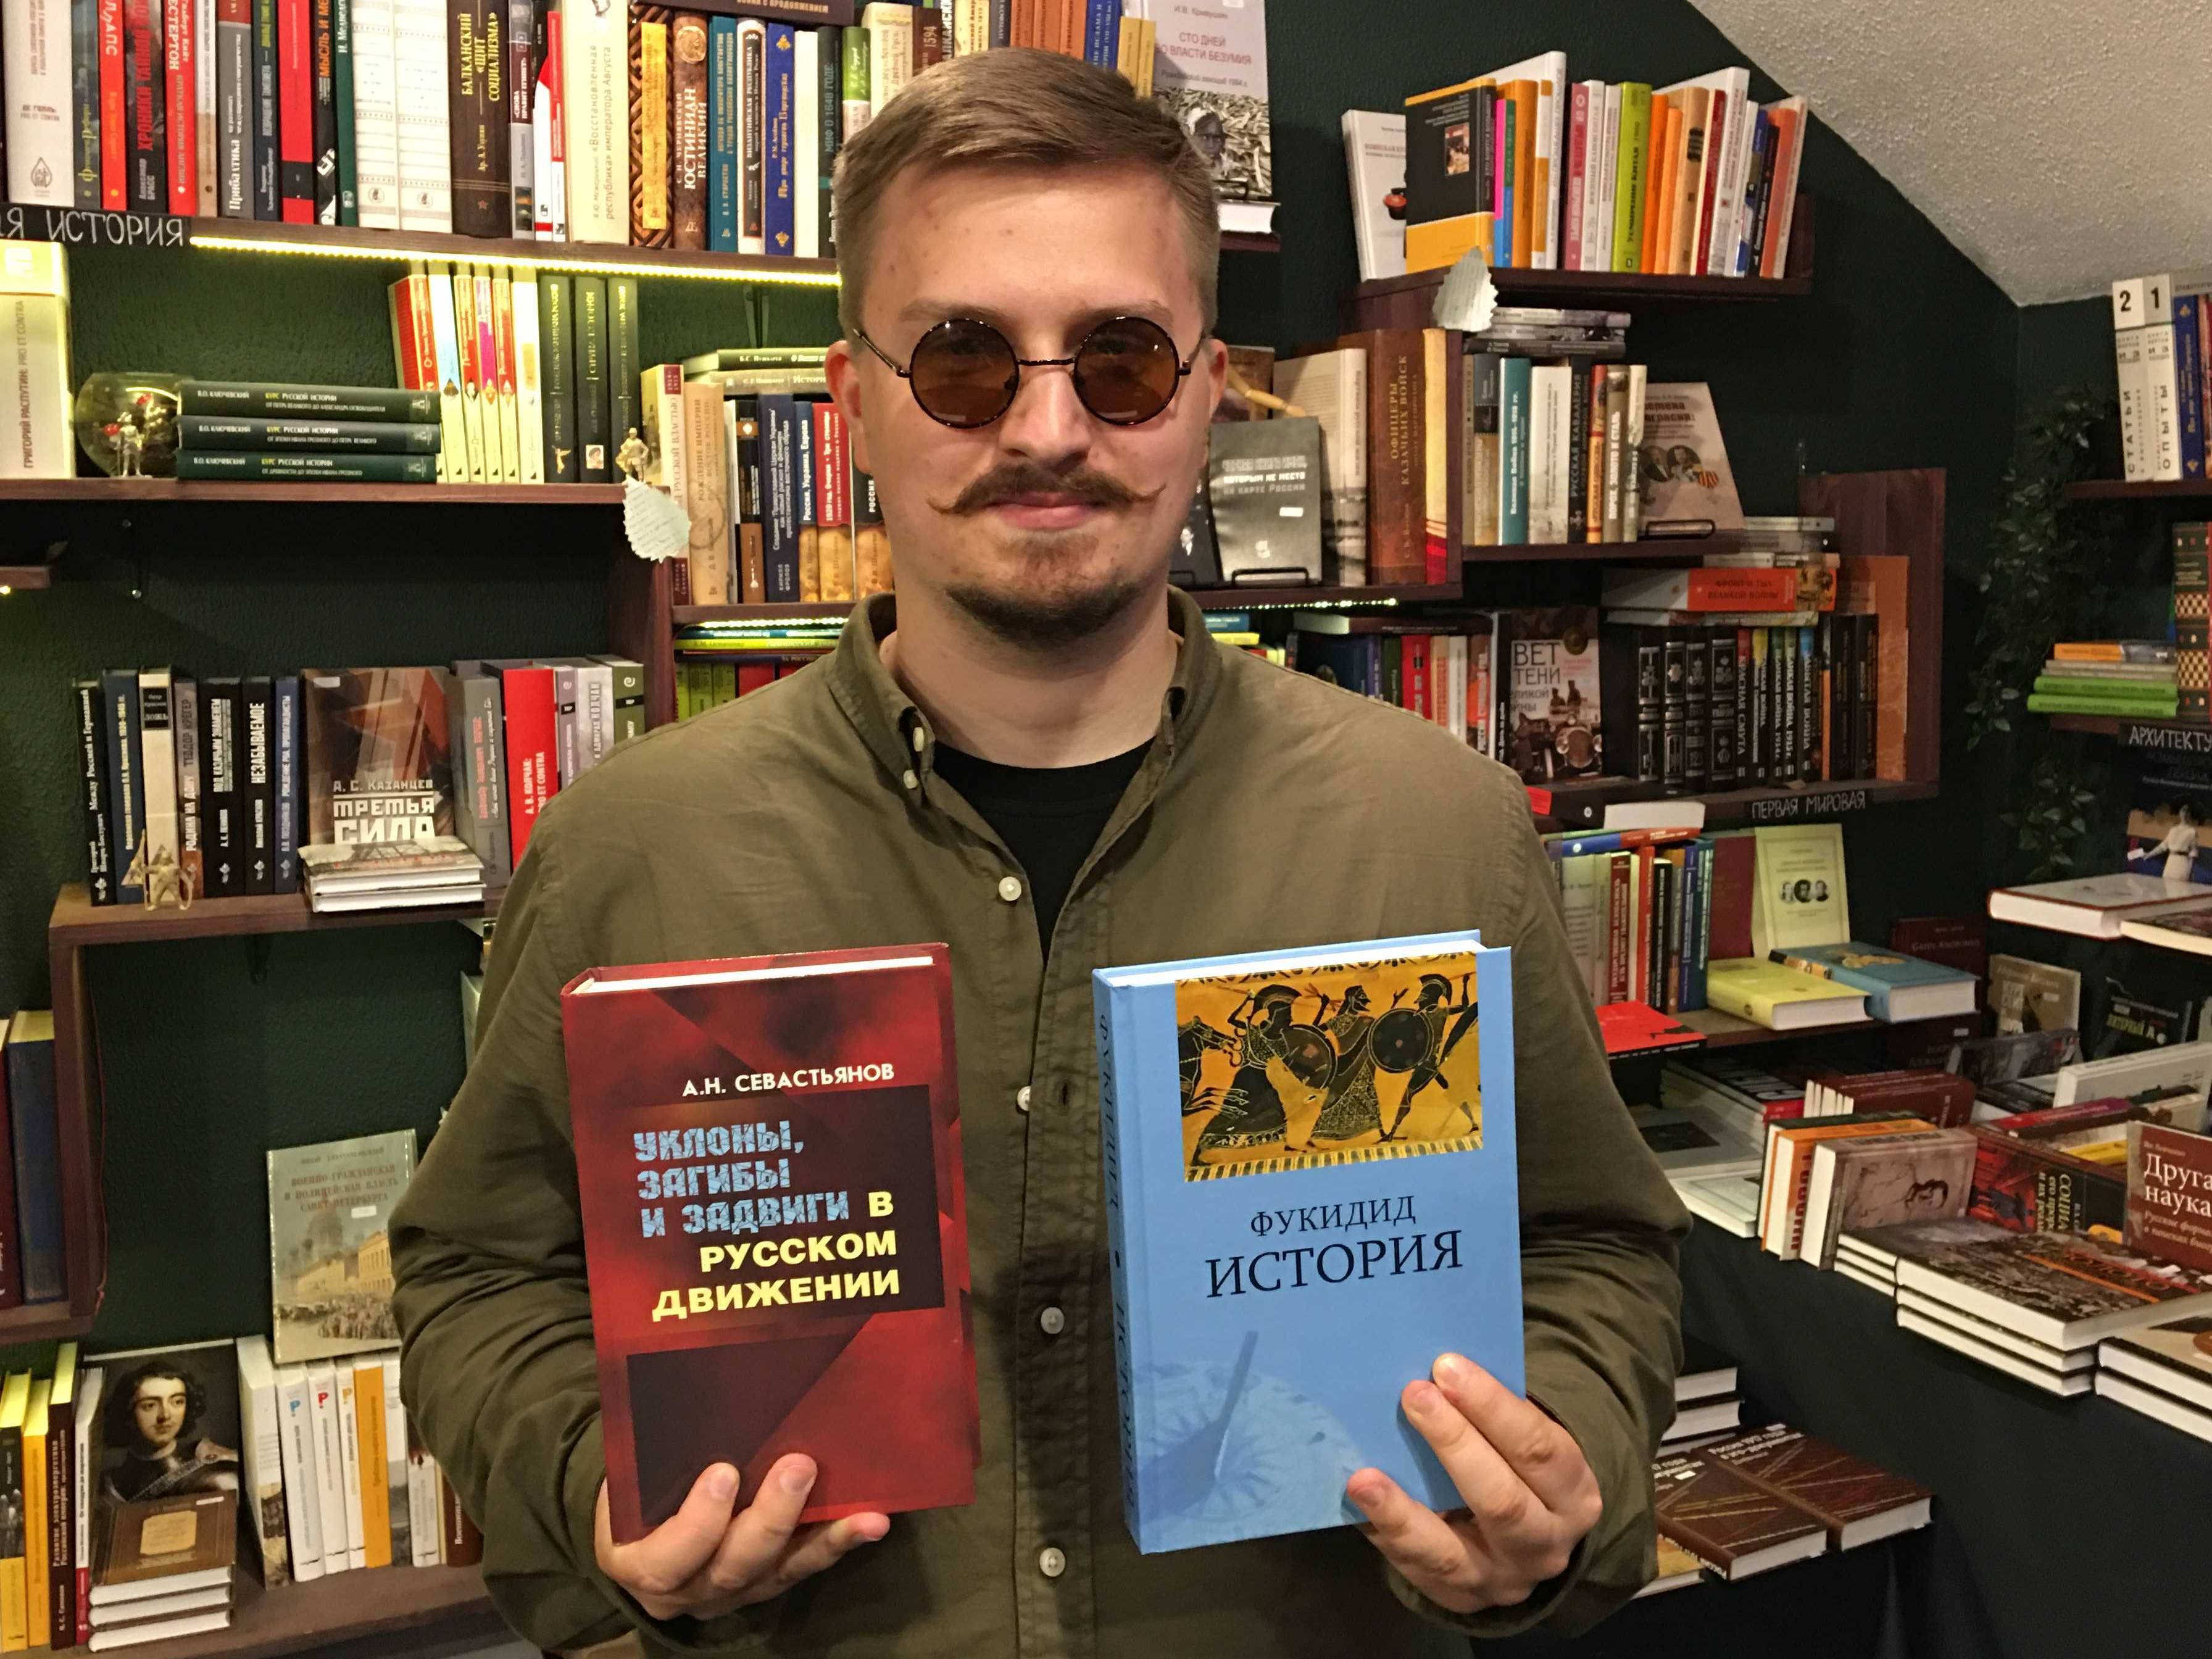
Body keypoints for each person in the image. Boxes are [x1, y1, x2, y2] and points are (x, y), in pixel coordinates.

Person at [391, 47, 1685, 1659]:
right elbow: (478, 1277)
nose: (1050, 427)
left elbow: (1591, 1247)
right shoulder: (636, 849)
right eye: (963, 361)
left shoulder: (1437, 827)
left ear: (1208, 394)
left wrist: (1551, 1462)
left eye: (1122, 360)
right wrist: (595, 1486)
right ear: (856, 401)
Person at [101, 1360, 240, 1503]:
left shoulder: (216, 1471)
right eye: (150, 1405)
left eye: (177, 1402)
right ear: (127, 1413)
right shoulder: (109, 1487)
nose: (165, 1415)